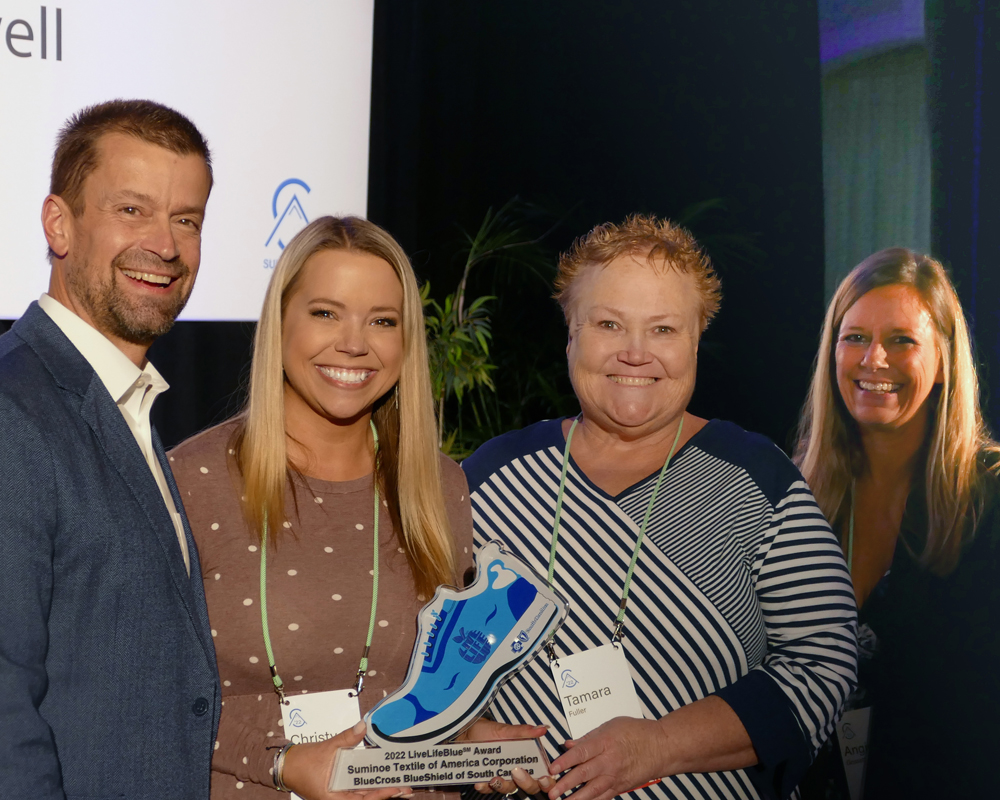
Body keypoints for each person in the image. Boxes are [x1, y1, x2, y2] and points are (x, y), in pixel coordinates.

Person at [462, 215, 858, 800]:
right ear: (570, 333)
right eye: (608, 324)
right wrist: (464, 737)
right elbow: (413, 656)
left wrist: (658, 745)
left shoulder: (757, 478)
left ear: (696, 340)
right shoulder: (489, 479)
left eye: (664, 329)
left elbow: (823, 664)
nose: (635, 353)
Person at [169, 217, 541, 799]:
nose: (354, 342)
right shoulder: (190, 480)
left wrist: (471, 745)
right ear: (280, 323)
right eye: (325, 312)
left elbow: (428, 695)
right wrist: (283, 763)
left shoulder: (439, 488)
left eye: (383, 321)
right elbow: (140, 685)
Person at [0, 99, 220, 798]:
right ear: (59, 224)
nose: (165, 244)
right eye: (132, 210)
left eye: (186, 219)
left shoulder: (127, 405)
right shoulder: (14, 409)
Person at [794, 248, 1000, 799]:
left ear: (943, 359)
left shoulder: (990, 498)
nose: (874, 360)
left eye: (902, 340)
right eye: (855, 337)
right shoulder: (791, 496)